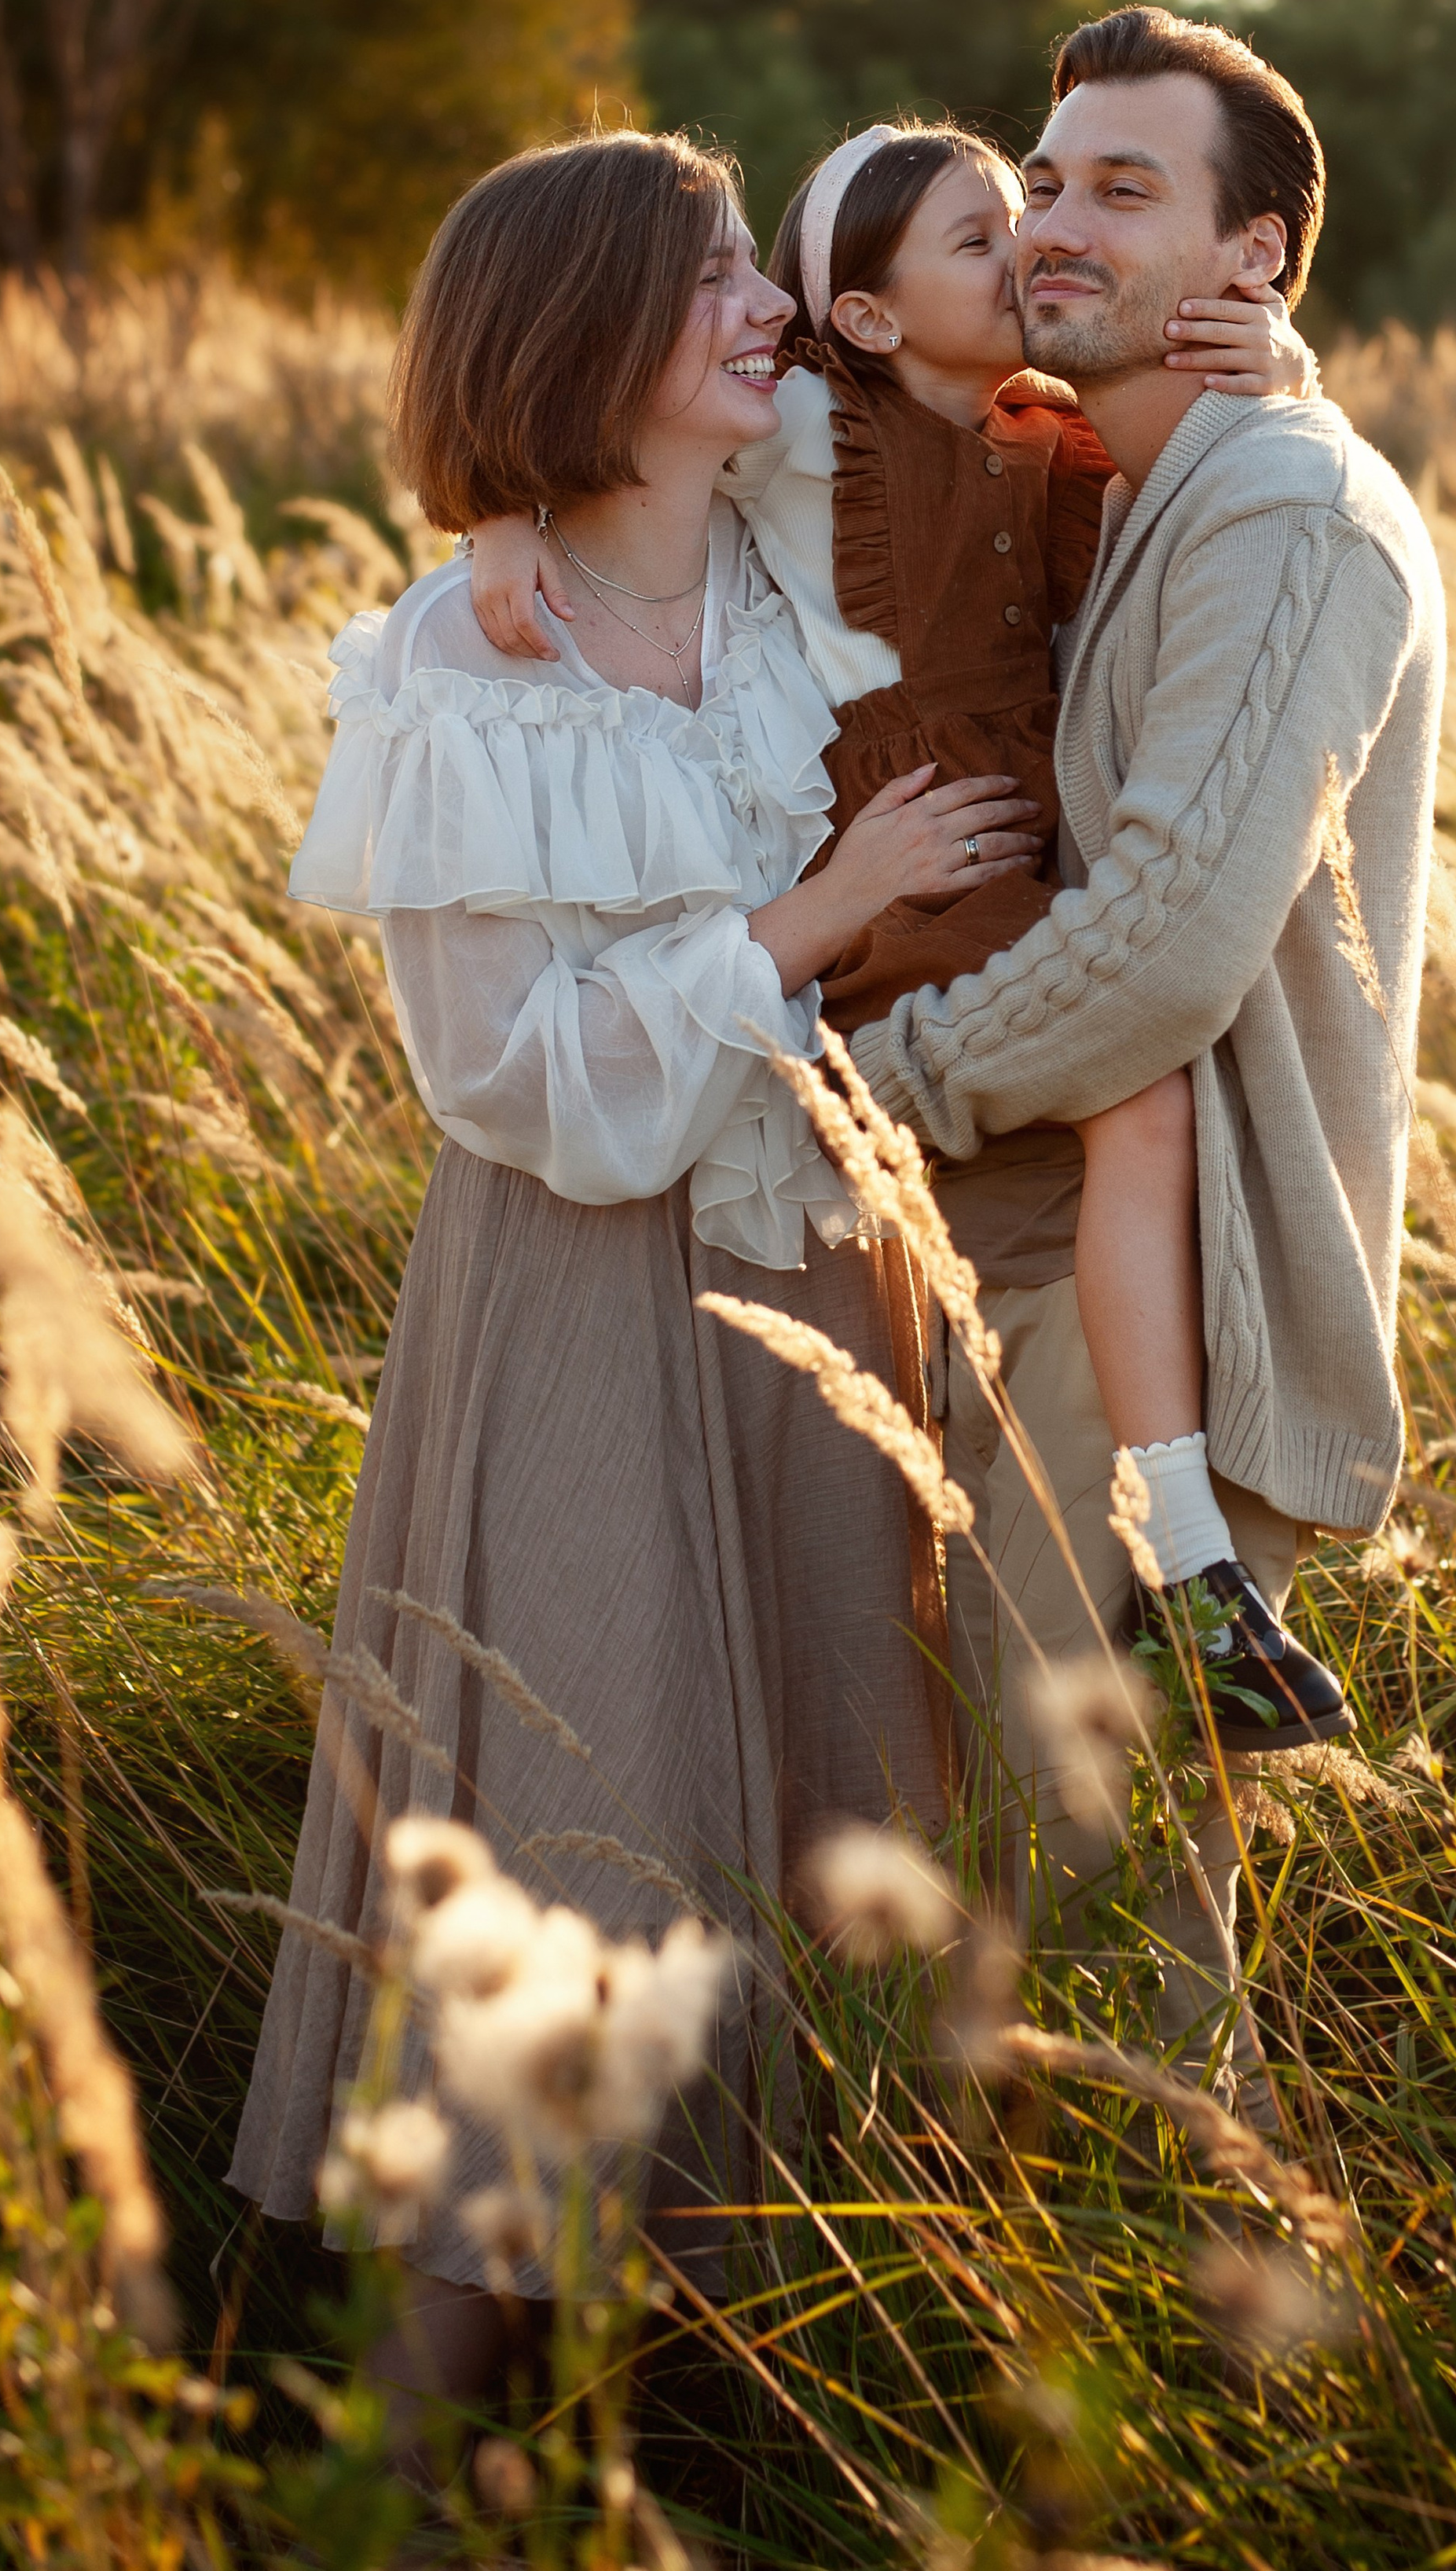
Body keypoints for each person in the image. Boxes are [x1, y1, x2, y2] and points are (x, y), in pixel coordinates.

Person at [228, 128, 1029, 2413]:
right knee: (591, 1839)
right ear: (585, 337)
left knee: (855, 1809)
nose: (759, 303)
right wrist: (809, 917)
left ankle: (793, 2406)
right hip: (588, 1292)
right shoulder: (459, 670)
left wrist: (1242, 334)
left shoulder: (806, 557)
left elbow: (957, 333)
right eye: (705, 282)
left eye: (749, 272)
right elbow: (516, 1079)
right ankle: (399, 2462)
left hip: (843, 1272)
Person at [466, 122, 1344, 1842]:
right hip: (911, 866)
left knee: (1141, 1104)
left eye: (1022, 223)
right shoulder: (805, 431)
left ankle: (1179, 1559)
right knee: (1137, 1088)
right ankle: (1183, 1561)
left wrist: (1287, 360)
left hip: (1005, 854)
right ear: (859, 320)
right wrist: (502, 523)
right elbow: (606, 406)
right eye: (980, 237)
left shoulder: (1051, 436)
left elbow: (1218, 444)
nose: (1025, 253)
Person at [846, 8, 1447, 2099]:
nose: (1055, 221)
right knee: (1079, 1916)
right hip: (1067, 1272)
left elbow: (1175, 947)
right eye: (1050, 175)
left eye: (1128, 187)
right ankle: (1112, 2327)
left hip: (1175, 1313)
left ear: (1255, 258)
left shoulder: (1285, 514)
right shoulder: (1132, 473)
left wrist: (876, 1085)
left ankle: (1174, 2349)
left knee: (1078, 1922)